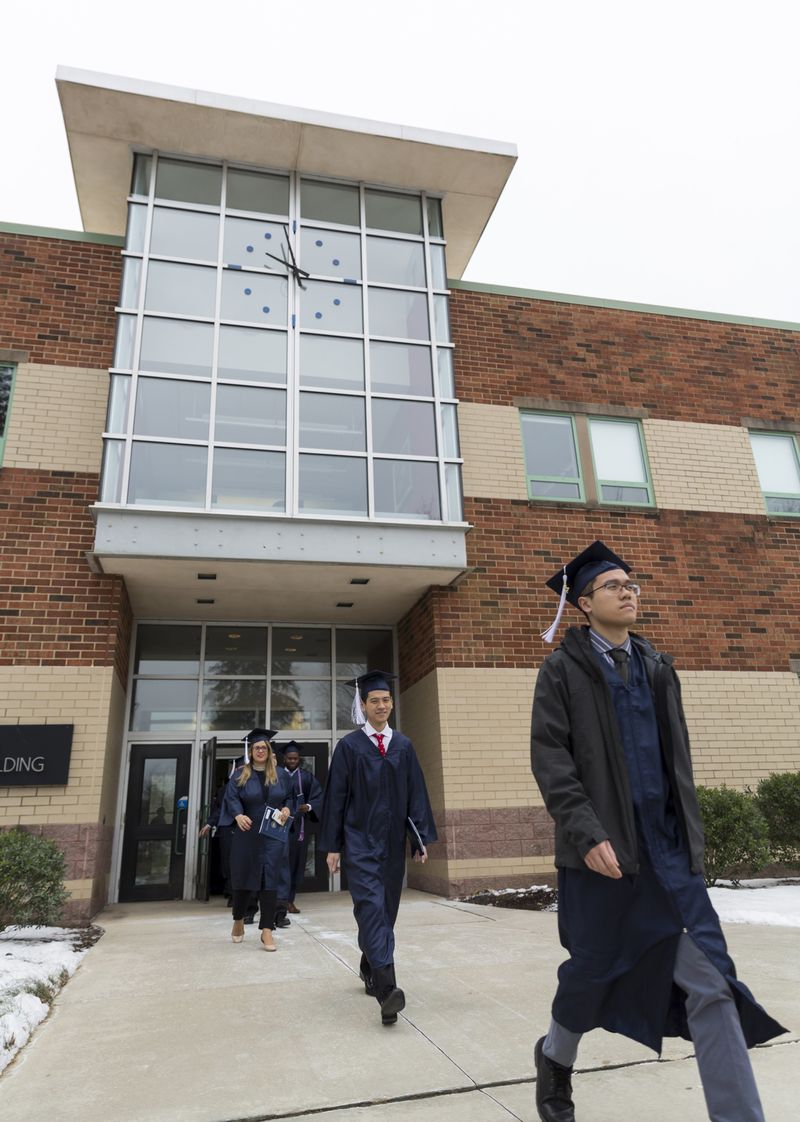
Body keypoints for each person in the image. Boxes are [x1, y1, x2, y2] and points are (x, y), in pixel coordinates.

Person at [529, 541, 786, 1122]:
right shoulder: (563, 671)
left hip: (668, 857)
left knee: (714, 983)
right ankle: (555, 1058)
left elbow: (679, 764)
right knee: (591, 974)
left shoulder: (657, 667)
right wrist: (585, 832)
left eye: (632, 584)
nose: (629, 591)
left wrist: (691, 841)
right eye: (614, 585)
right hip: (605, 857)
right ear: (585, 603)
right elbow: (552, 759)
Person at [319, 670, 437, 1026]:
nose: (382, 706)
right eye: (375, 701)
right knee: (371, 907)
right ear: (364, 706)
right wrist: (333, 846)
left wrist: (418, 840)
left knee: (385, 910)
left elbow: (416, 793)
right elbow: (335, 799)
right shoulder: (350, 748)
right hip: (359, 843)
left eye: (386, 700)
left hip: (391, 844)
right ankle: (388, 991)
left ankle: (370, 964)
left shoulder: (403, 745)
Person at [218, 728, 292, 951]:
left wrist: (288, 809)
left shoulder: (281, 775)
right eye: (257, 747)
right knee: (243, 880)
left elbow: (290, 797)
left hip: (272, 836)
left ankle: (267, 931)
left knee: (270, 881)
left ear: (269, 751)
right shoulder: (240, 775)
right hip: (247, 836)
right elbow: (231, 799)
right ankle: (239, 919)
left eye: (264, 747)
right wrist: (238, 814)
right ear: (251, 751)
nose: (260, 750)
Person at [279, 741, 323, 914]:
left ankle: (289, 900)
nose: (292, 761)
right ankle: (277, 900)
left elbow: (318, 796)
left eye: (295, 758)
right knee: (280, 864)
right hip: (280, 826)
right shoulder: (277, 775)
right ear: (284, 758)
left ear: (299, 759)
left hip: (298, 829)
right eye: (289, 758)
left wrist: (309, 807)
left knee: (296, 865)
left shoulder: (306, 777)